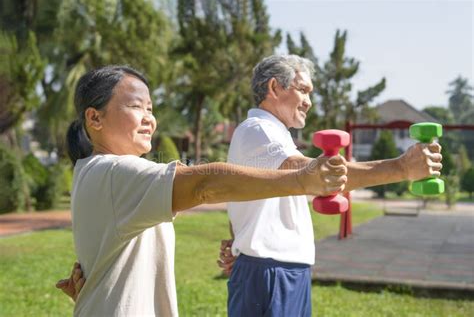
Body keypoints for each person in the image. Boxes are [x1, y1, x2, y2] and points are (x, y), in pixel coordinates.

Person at [60, 65, 349, 316]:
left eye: (150, 108)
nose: (149, 118)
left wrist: (98, 284)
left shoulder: (94, 171)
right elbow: (204, 184)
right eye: (136, 107)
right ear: (94, 118)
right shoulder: (115, 172)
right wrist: (302, 181)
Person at [215, 54, 442, 316]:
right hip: (270, 272)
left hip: (281, 268)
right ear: (274, 87)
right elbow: (316, 175)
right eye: (303, 90)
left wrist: (238, 241)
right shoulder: (259, 129)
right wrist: (402, 168)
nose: (309, 102)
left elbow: (245, 195)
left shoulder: (276, 134)